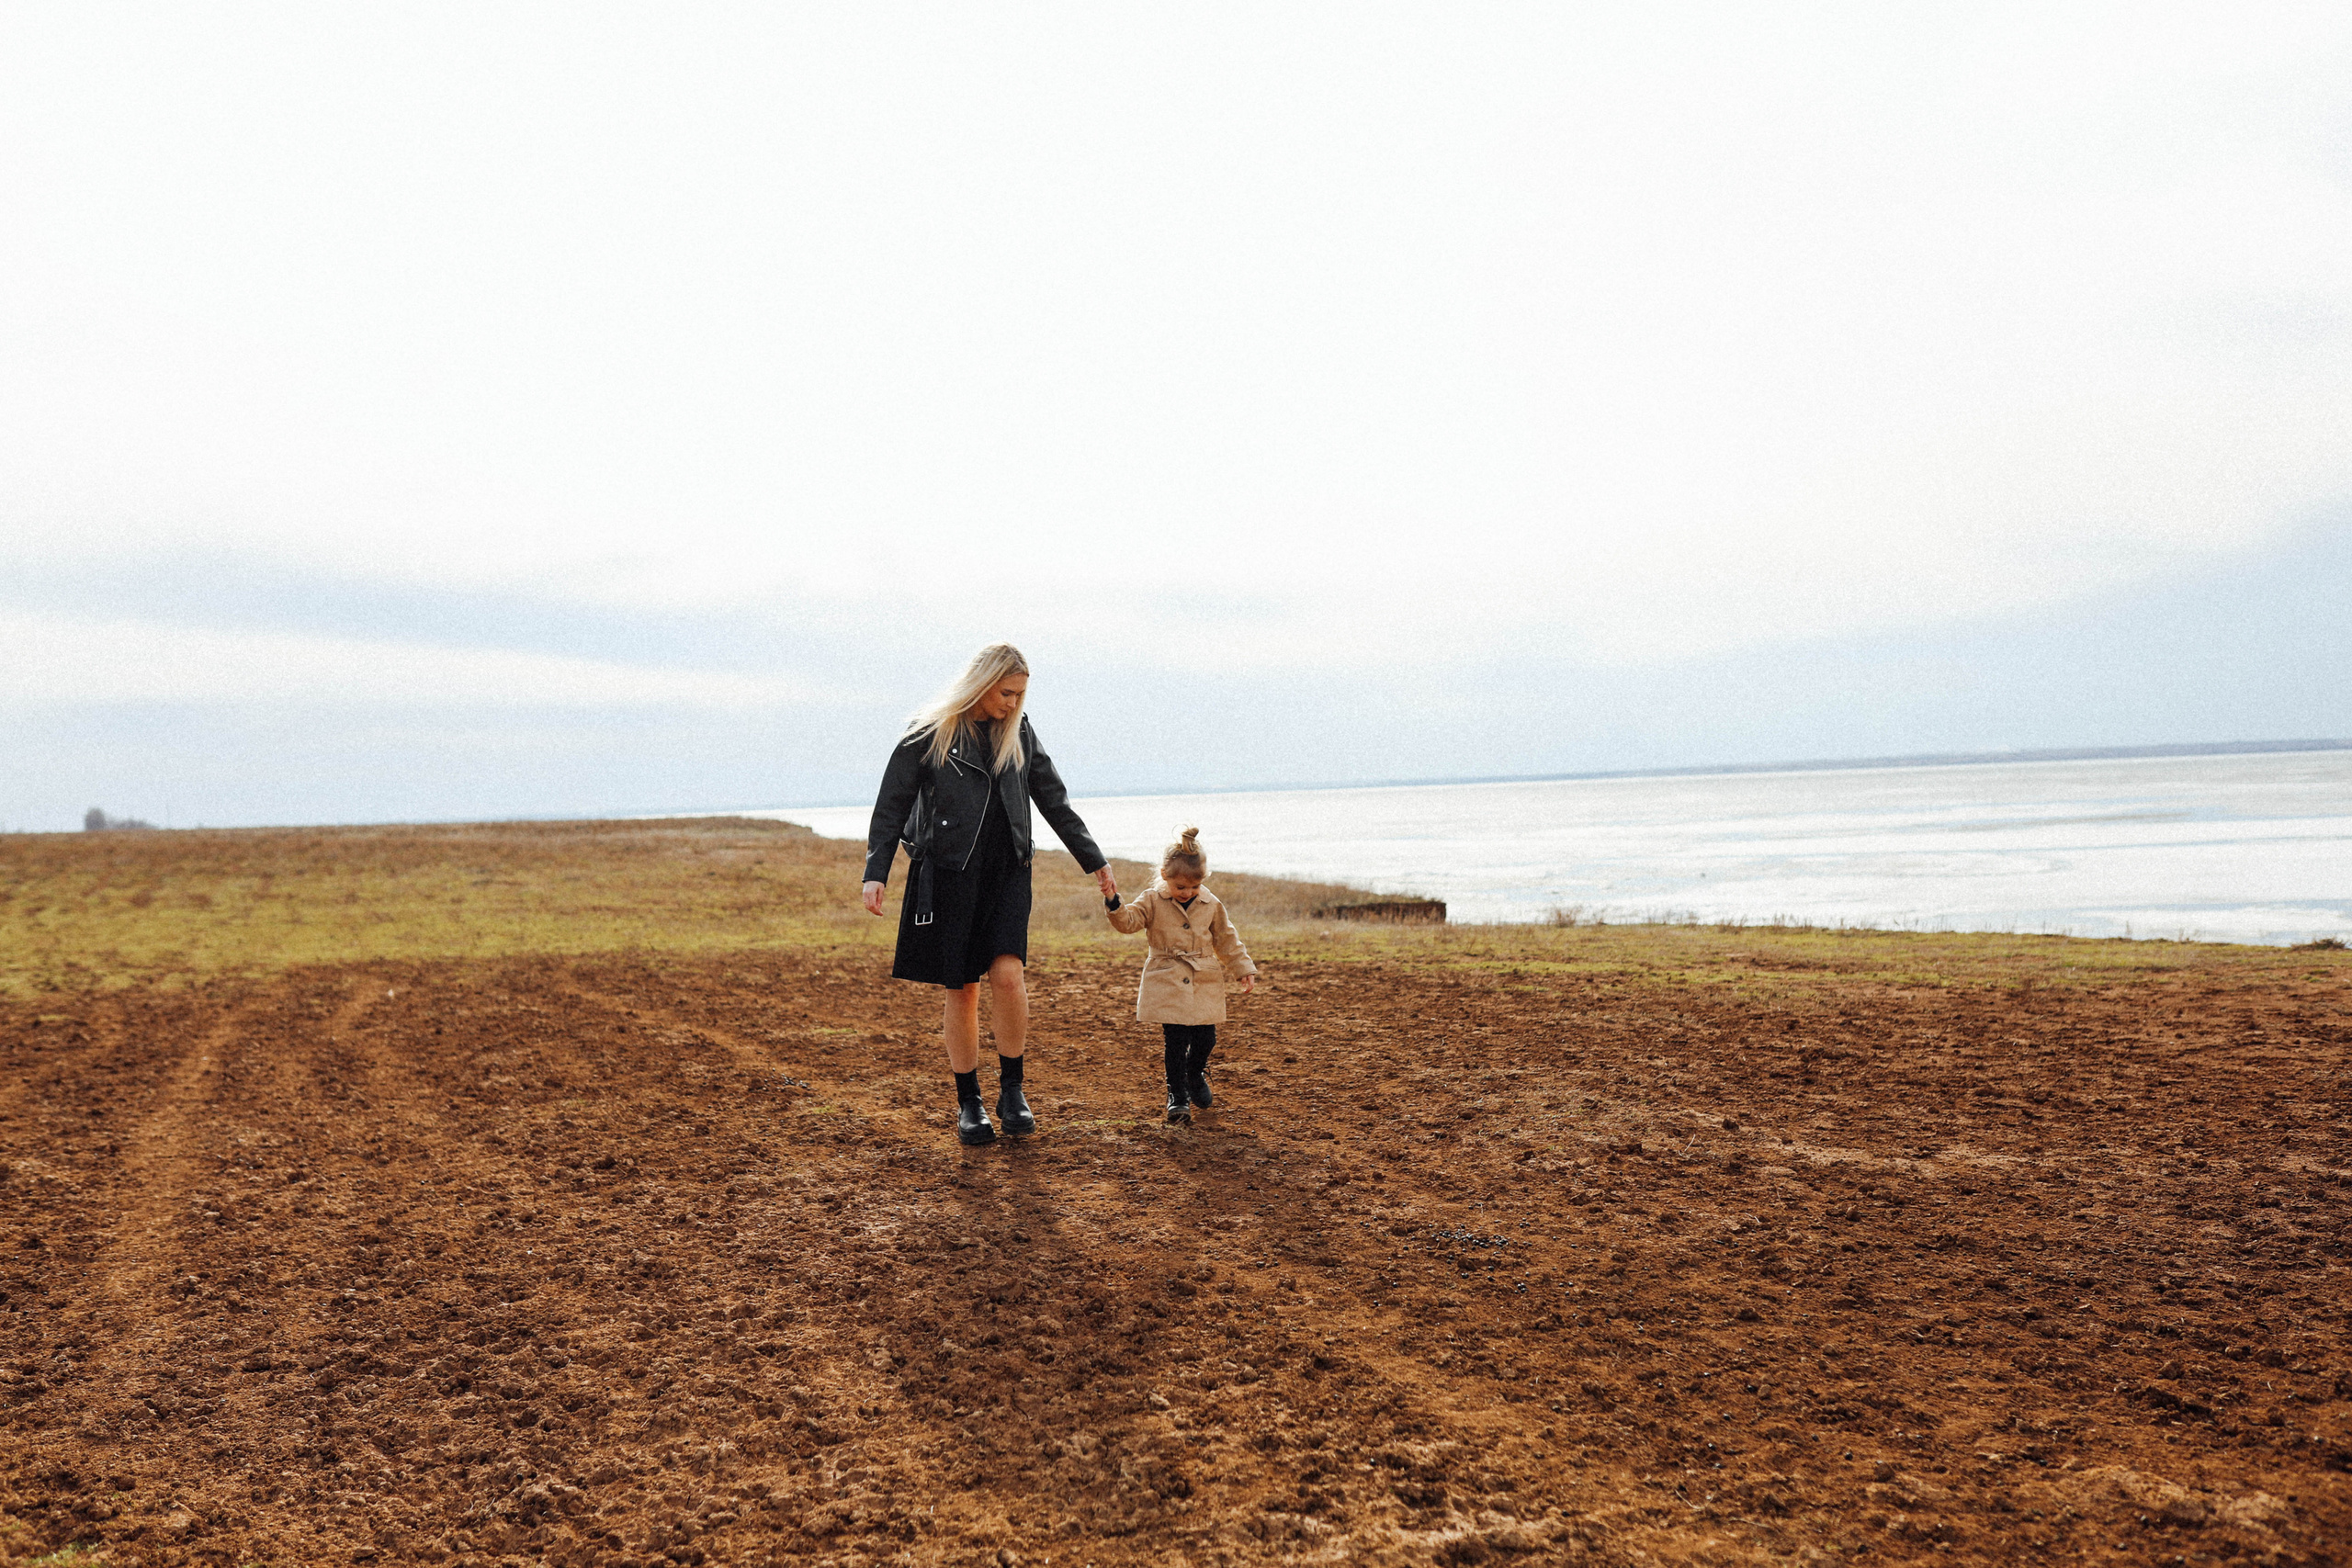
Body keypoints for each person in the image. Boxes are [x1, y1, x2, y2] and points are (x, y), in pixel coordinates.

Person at [861, 643, 1116, 1145]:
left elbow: (1052, 797)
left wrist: (1095, 860)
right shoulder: (930, 731)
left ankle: (1013, 1090)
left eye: (1020, 694)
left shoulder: (1017, 731)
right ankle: (968, 1101)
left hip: (1007, 873)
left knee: (1008, 975)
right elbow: (891, 802)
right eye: (1006, 692)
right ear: (982, 683)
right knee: (963, 987)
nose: (1013, 703)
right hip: (949, 873)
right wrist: (876, 871)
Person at [1103, 826, 1259, 1123]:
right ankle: (1177, 1096)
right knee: (1174, 1041)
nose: (1187, 893)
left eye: (1194, 888)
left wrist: (1243, 968)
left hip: (1203, 979)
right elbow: (1128, 922)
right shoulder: (1150, 900)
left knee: (1206, 1039)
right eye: (1181, 888)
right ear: (1164, 875)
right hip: (1167, 979)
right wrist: (1113, 900)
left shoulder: (1211, 903)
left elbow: (1226, 939)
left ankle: (1194, 1073)